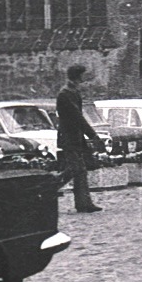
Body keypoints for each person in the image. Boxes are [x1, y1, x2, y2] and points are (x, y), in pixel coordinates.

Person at [55, 64, 104, 213]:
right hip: (69, 137)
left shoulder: (72, 91)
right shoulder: (65, 93)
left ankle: (83, 203)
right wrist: (93, 136)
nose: (85, 77)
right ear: (77, 76)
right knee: (76, 169)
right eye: (83, 74)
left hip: (75, 136)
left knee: (78, 170)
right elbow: (77, 117)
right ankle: (46, 190)